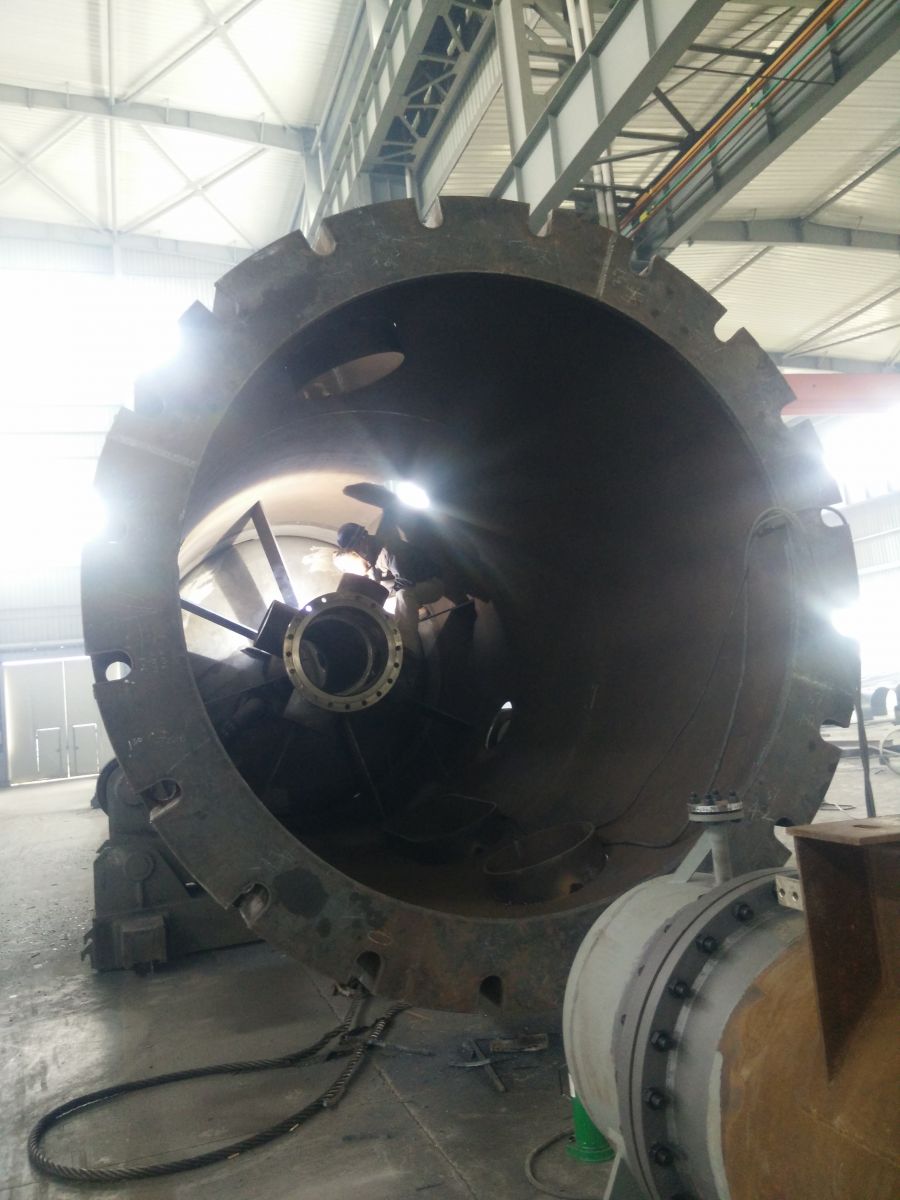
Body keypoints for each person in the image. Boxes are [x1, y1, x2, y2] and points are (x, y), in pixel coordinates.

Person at [335, 517, 443, 657]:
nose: (358, 551)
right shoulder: (372, 558)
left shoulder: (390, 548)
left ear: (364, 537)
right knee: (384, 594)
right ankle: (412, 617)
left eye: (357, 546)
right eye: (354, 549)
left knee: (404, 594)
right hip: (413, 586)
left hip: (432, 584)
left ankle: (409, 648)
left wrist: (380, 596)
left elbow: (405, 581)